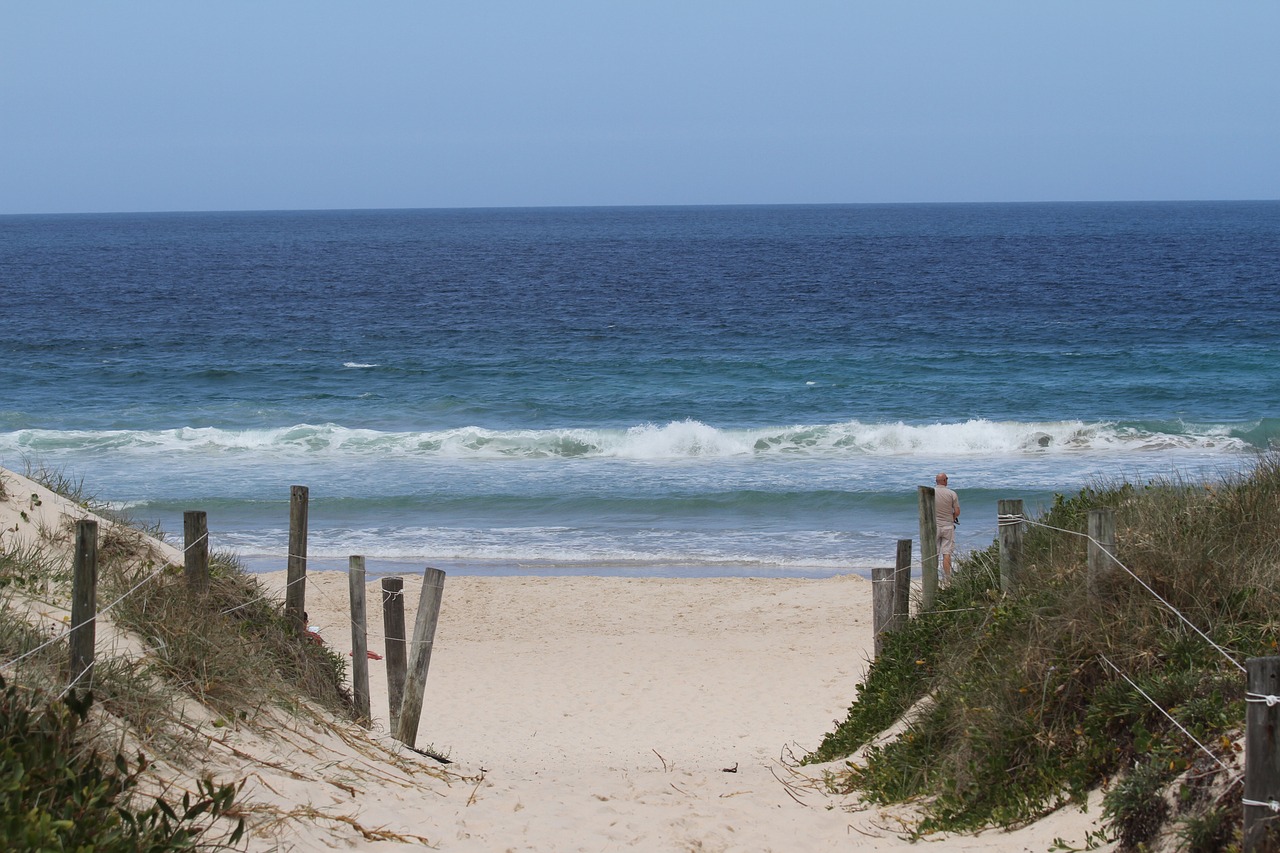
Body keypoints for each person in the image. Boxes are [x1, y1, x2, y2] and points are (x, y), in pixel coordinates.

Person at [934, 472, 960, 585]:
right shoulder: (951, 493)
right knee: (946, 553)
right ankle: (947, 578)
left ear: (936, 481)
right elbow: (957, 511)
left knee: (933, 553)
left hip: (934, 526)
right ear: (945, 480)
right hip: (948, 526)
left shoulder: (931, 493)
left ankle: (932, 577)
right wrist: (952, 518)